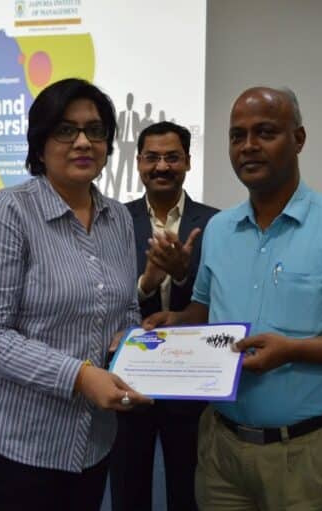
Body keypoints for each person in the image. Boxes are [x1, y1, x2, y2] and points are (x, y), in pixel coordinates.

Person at [143, 87, 322, 510]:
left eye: (265, 132)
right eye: (237, 136)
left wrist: (293, 350)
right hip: (221, 449)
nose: (248, 146)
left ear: (298, 139)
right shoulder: (219, 229)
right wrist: (176, 321)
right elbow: (205, 310)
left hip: (308, 453)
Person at [0, 78, 152, 511]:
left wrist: (127, 338)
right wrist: (80, 376)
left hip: (92, 444)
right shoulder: (8, 211)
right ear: (39, 146)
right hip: (14, 446)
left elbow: (126, 307)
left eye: (95, 130)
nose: (83, 141)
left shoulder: (118, 217)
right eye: (65, 130)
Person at [110, 121, 218, 511]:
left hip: (192, 377)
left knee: (189, 488)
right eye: (152, 157)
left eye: (172, 157)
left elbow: (221, 295)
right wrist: (147, 282)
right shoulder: (114, 221)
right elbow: (103, 296)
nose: (161, 166)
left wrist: (183, 273)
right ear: (138, 162)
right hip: (130, 374)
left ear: (187, 161)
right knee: (128, 485)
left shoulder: (216, 224)